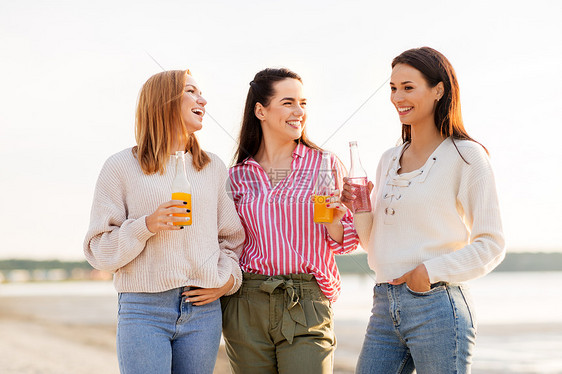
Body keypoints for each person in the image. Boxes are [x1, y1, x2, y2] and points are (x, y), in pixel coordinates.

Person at [344, 47, 505, 374]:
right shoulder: (388, 159)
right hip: (383, 306)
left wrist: (426, 273)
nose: (397, 97)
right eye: (392, 88)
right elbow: (376, 245)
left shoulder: (467, 156)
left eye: (407, 87)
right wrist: (358, 206)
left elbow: (491, 243)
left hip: (437, 307)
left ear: (438, 90)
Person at [83, 70, 245, 374]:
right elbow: (98, 250)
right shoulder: (120, 166)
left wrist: (226, 280)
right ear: (164, 101)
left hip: (203, 310)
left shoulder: (212, 167)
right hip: (143, 309)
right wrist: (147, 225)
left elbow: (232, 239)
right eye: (191, 92)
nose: (203, 99)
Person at [222, 68, 359, 374]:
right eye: (288, 103)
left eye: (303, 103)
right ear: (261, 110)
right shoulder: (237, 176)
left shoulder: (323, 164)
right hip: (246, 303)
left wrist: (335, 219)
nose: (300, 112)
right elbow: (227, 243)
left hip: (307, 300)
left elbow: (346, 241)